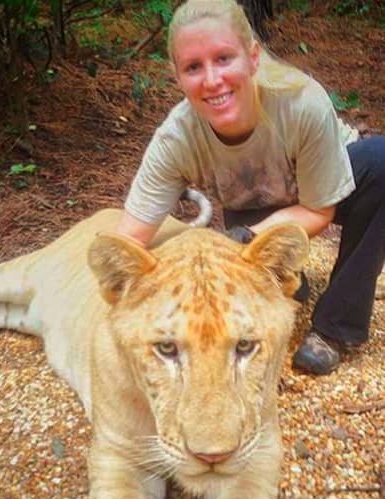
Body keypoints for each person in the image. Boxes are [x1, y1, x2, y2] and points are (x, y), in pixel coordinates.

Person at [117, 0, 385, 375]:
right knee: (272, 284)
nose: (212, 80)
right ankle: (285, 273)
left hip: (328, 185)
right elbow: (130, 237)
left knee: (383, 163)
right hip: (257, 202)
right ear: (177, 77)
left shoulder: (301, 103)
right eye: (193, 67)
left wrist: (243, 240)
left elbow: (317, 211)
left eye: (224, 59)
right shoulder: (176, 138)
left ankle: (336, 329)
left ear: (253, 58)